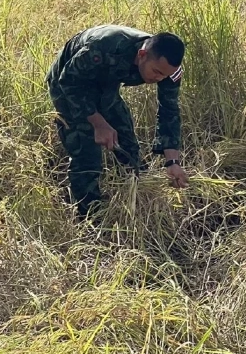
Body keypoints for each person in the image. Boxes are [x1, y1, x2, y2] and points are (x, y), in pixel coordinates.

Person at [47, 26, 188, 217]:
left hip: (105, 85)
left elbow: (169, 110)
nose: (159, 78)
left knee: (128, 144)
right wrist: (98, 123)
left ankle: (135, 199)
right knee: (86, 152)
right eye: (156, 72)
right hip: (69, 86)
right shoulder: (104, 47)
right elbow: (69, 82)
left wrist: (172, 161)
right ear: (142, 54)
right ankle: (90, 216)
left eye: (164, 75)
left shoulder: (169, 70)